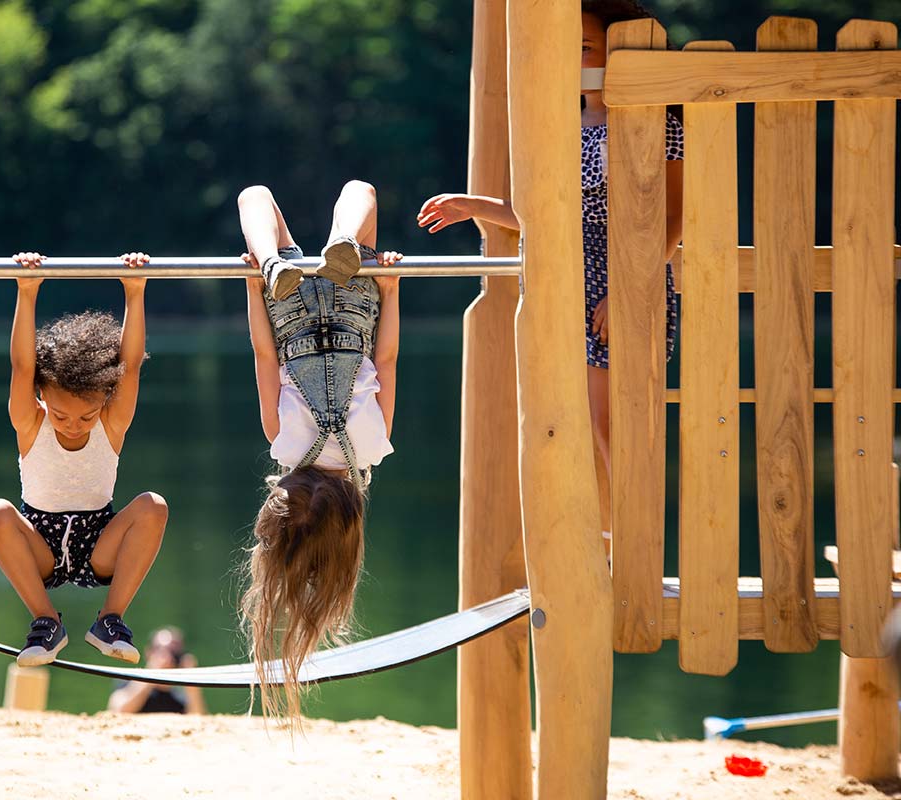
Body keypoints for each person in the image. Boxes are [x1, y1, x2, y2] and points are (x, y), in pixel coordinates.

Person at [416, 0, 683, 557]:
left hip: (625, 284)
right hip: (566, 288)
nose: (576, 59)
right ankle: (610, 544)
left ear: (616, 54)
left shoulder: (655, 121)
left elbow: (675, 214)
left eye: (585, 47)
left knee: (615, 426)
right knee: (583, 427)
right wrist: (474, 206)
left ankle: (637, 548)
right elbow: (544, 213)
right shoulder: (567, 124)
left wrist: (630, 291)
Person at [238, 180, 402, 720]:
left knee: (360, 192)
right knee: (255, 197)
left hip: (355, 303)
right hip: (285, 308)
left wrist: (392, 288)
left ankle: (345, 243)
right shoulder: (282, 441)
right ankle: (268, 260)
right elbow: (266, 358)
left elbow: (389, 359)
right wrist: (253, 285)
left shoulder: (371, 446)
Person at [0, 251, 169, 667]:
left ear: (103, 399)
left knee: (153, 506)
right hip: (39, 543)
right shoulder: (30, 423)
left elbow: (131, 366)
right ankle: (46, 623)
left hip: (100, 540)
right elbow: (20, 365)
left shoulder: (110, 424)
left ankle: (110, 619)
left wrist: (134, 292)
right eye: (62, 415)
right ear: (41, 395)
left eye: (86, 415)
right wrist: (26, 291)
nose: (74, 425)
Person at [107, 627, 207, 714]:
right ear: (149, 653)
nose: (168, 658)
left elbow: (198, 719)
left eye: (173, 652)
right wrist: (150, 673)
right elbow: (117, 710)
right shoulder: (129, 682)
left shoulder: (180, 697)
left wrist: (192, 684)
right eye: (160, 650)